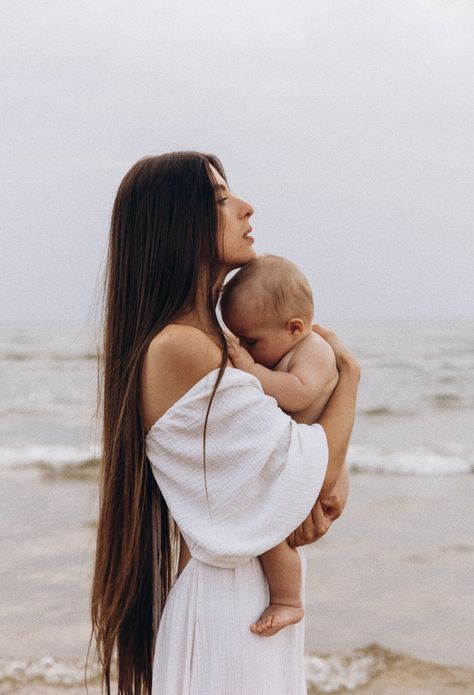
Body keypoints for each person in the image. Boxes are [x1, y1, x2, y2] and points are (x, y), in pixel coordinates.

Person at [90, 152, 360, 695]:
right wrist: (350, 377)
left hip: (248, 597)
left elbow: (308, 472)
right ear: (178, 224)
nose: (245, 207)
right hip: (229, 606)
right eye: (220, 199)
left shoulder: (217, 344)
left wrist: (314, 483)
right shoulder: (182, 348)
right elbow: (311, 471)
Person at [220, 253, 347, 637]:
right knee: (269, 527)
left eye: (252, 340)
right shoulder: (287, 347)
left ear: (294, 327)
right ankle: (286, 598)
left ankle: (288, 600)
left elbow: (297, 393)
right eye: (238, 338)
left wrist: (252, 370)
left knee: (270, 532)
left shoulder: (312, 351)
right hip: (311, 462)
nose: (246, 347)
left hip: (323, 469)